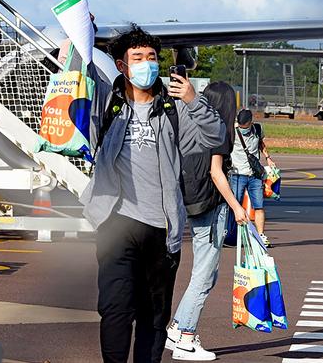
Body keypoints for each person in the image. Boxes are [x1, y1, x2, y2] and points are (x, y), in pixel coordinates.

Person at [79, 24, 225, 363]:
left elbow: (216, 137)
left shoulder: (174, 112)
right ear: (121, 65)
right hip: (115, 222)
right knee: (115, 309)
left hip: (161, 228)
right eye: (138, 57)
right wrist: (77, 41)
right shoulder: (107, 102)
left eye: (152, 57)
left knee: (154, 316)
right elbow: (80, 78)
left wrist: (193, 100)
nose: (147, 63)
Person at [166, 81, 248, 361]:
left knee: (206, 274)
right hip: (212, 205)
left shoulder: (189, 122)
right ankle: (186, 339)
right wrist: (236, 206)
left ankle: (177, 327)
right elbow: (216, 172)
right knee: (203, 275)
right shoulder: (217, 128)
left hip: (190, 201)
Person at [229, 109, 276, 246]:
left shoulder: (258, 129)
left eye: (246, 126)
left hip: (254, 175)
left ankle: (261, 235)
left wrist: (268, 158)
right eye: (241, 126)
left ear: (251, 122)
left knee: (259, 206)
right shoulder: (232, 131)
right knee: (235, 204)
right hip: (237, 174)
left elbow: (261, 143)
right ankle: (232, 234)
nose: (244, 129)